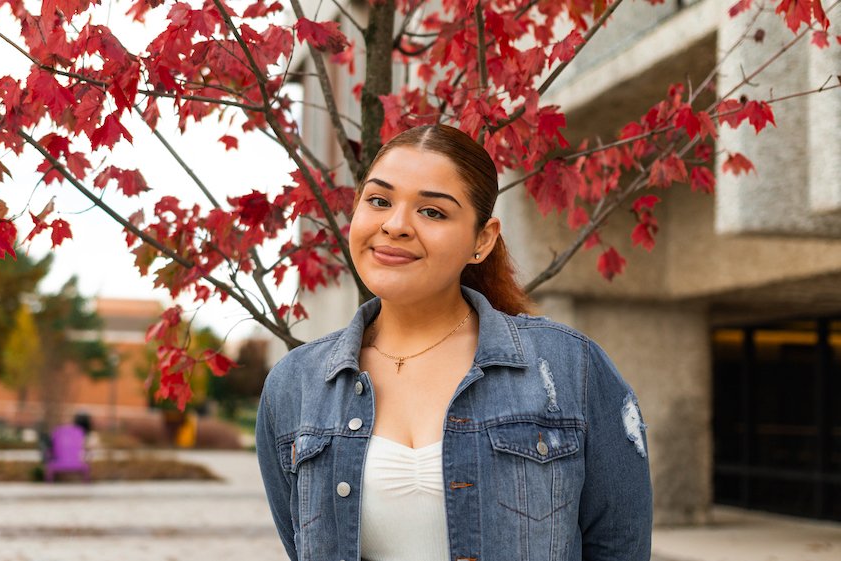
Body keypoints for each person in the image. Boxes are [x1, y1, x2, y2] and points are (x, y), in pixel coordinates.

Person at [255, 124, 652, 561]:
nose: (396, 225)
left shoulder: (568, 366)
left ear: (482, 239)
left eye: (433, 212)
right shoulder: (296, 384)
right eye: (379, 200)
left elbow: (620, 546)